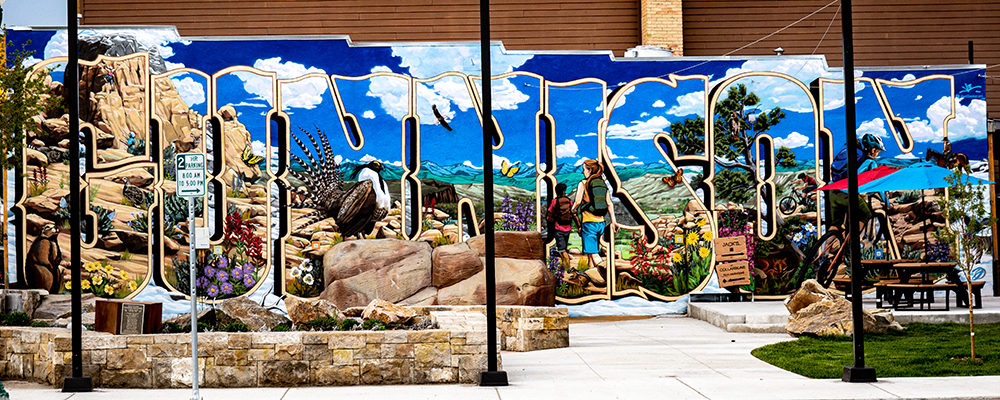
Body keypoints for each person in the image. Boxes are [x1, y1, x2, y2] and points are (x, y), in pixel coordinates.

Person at [829, 133, 885, 231]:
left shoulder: (855, 156)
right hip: (847, 194)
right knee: (866, 215)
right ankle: (852, 243)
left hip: (832, 191)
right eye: (877, 151)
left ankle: (826, 245)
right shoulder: (870, 162)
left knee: (835, 226)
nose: (877, 154)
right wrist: (885, 201)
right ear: (872, 149)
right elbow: (877, 184)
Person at [573, 159, 609, 284]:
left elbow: (577, 201)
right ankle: (589, 276)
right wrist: (613, 221)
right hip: (601, 222)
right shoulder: (602, 184)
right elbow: (609, 203)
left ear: (590, 170)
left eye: (584, 169)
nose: (583, 172)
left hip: (589, 223)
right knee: (590, 252)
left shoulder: (583, 183)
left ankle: (607, 276)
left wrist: (573, 210)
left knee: (593, 253)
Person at [546, 182, 578, 267]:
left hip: (558, 228)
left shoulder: (554, 201)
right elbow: (573, 214)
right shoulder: (569, 201)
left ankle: (567, 266)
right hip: (568, 228)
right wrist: (579, 226)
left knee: (562, 249)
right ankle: (566, 265)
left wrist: (553, 221)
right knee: (564, 248)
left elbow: (549, 216)